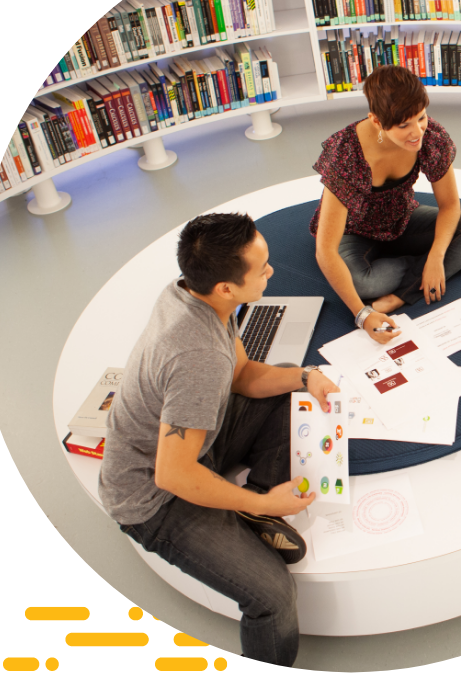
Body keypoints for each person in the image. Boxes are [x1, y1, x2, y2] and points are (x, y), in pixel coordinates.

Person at [98, 212, 340, 671]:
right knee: (273, 596)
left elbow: (244, 376)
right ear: (227, 286)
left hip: (191, 448)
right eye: (262, 267)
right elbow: (173, 474)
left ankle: (248, 504)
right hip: (153, 498)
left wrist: (306, 377)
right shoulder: (197, 356)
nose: (272, 270)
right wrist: (273, 504)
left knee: (288, 386)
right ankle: (257, 510)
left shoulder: (190, 293)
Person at [310, 65, 461, 345]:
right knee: (362, 285)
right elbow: (325, 251)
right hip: (355, 232)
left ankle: (400, 295)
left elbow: (450, 205)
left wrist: (436, 258)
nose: (417, 132)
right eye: (404, 125)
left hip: (402, 219)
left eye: (421, 117)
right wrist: (362, 314)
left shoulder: (431, 136)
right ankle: (453, 260)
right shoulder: (346, 155)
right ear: (377, 121)